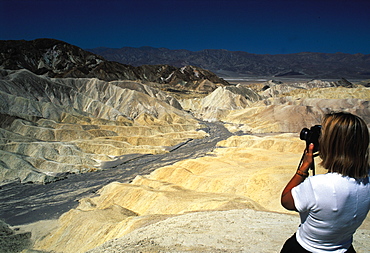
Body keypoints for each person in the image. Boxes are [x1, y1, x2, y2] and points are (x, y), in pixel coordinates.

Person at [280, 112, 370, 253]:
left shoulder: (318, 185)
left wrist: (303, 169)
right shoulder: (367, 180)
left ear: (331, 145)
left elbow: (286, 200)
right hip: (345, 248)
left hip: (305, 249)